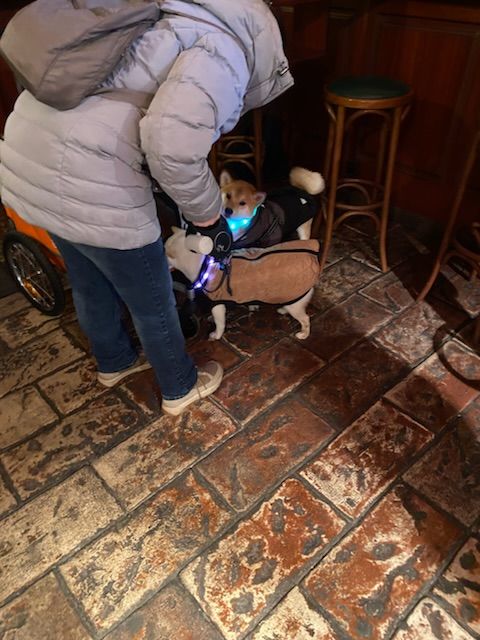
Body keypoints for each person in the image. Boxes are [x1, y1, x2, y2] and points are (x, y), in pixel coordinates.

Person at [0, 0, 293, 416]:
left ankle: (114, 361)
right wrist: (209, 217)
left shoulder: (156, 13)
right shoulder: (222, 47)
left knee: (87, 283)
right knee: (151, 302)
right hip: (94, 181)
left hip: (34, 162)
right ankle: (179, 386)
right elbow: (172, 148)